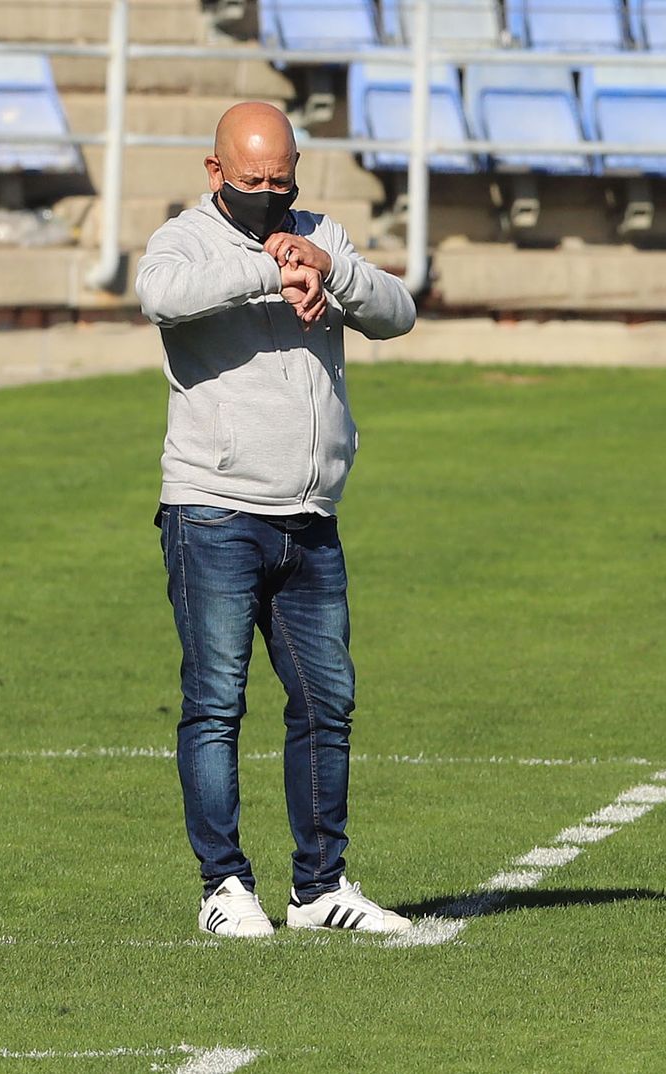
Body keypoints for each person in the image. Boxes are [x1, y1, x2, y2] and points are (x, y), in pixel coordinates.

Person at [135, 103, 416, 938]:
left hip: (311, 516)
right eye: (252, 182)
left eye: (282, 181)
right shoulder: (183, 238)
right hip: (214, 511)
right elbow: (161, 297)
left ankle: (320, 886)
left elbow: (398, 314)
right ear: (216, 172)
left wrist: (331, 269)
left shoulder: (324, 231)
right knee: (217, 703)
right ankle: (223, 886)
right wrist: (270, 269)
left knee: (327, 703)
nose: (269, 195)